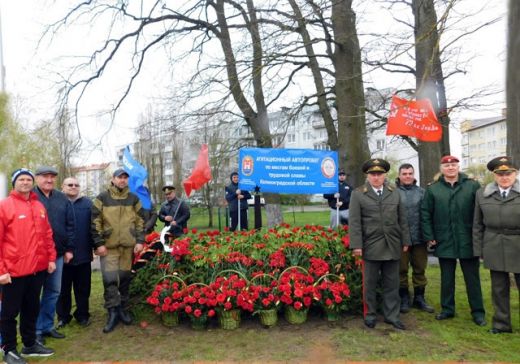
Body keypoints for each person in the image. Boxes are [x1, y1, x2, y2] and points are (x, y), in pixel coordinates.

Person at [421, 155, 486, 326]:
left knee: (472, 278)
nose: (450, 168)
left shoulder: (472, 186)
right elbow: (425, 213)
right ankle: (447, 309)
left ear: (458, 167)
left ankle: (478, 312)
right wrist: (429, 236)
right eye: (447, 165)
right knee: (447, 278)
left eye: (453, 165)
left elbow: (480, 212)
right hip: (444, 239)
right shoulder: (433, 189)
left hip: (468, 238)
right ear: (441, 169)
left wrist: (479, 236)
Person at [0, 169, 56, 364]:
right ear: (15, 183)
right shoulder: (5, 206)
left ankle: (30, 344)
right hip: (13, 272)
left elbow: (47, 235)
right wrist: (1, 271)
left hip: (37, 269)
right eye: (21, 179)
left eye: (28, 179)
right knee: (9, 313)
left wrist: (50, 259)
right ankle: (9, 349)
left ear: (33, 183)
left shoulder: (39, 206)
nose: (25, 182)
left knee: (32, 308)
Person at [349, 158, 410, 330]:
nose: (376, 177)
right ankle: (370, 314)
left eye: (379, 174)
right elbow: (354, 222)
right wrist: (357, 245)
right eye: (373, 174)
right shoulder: (358, 193)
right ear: (367, 176)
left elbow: (402, 219)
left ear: (385, 175)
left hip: (392, 244)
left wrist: (405, 240)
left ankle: (392, 315)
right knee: (370, 283)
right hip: (370, 245)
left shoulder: (394, 192)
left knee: (392, 283)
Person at [91, 168, 144, 333]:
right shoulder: (102, 198)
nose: (122, 180)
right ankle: (112, 312)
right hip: (109, 247)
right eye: (119, 177)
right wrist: (99, 243)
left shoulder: (133, 198)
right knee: (110, 281)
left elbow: (141, 220)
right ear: (113, 179)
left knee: (125, 279)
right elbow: (94, 221)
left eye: (125, 178)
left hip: (128, 247)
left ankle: (123, 309)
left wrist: (140, 240)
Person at [473, 156, 520, 334]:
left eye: (508, 173)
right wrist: (479, 250)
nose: (504, 177)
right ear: (494, 175)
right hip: (494, 244)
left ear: (515, 174)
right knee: (499, 288)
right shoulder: (483, 194)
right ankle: (501, 324)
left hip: (518, 243)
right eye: (500, 174)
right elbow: (477, 224)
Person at [33, 166, 75, 343]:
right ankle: (35, 331)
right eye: (44, 177)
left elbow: (70, 224)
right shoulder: (31, 197)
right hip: (35, 255)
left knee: (53, 291)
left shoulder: (61, 198)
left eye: (52, 177)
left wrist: (69, 249)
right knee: (34, 294)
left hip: (57, 254)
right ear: (36, 178)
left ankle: (47, 326)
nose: (49, 180)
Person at [396, 164, 434, 314]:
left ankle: (419, 298)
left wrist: (429, 235)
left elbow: (428, 214)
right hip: (400, 239)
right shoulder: (393, 193)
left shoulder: (422, 192)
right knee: (401, 270)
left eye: (410, 173)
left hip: (419, 238)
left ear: (414, 175)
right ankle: (404, 298)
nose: (407, 176)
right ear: (399, 175)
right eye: (404, 173)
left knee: (419, 269)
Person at [56, 177, 94, 329]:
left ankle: (82, 315)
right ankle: (63, 317)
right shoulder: (57, 202)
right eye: (69, 185)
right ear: (62, 187)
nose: (73, 187)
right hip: (62, 255)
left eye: (76, 185)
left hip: (84, 254)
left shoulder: (88, 204)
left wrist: (95, 246)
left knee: (83, 288)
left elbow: (94, 227)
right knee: (62, 289)